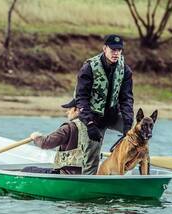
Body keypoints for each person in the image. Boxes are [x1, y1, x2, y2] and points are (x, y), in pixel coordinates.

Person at [74, 34, 134, 174]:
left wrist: (128, 123)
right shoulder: (88, 68)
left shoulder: (125, 70)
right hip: (93, 119)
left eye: (119, 50)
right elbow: (81, 98)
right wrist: (89, 124)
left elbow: (127, 99)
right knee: (91, 158)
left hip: (113, 116)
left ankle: (128, 164)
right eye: (113, 50)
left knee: (136, 132)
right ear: (104, 48)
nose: (116, 53)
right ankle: (88, 184)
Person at [22, 99, 98, 175]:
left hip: (67, 174)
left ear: (76, 110)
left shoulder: (69, 127)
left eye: (69, 109)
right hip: (88, 173)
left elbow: (45, 143)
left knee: (26, 169)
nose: (67, 112)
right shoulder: (96, 127)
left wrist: (35, 137)